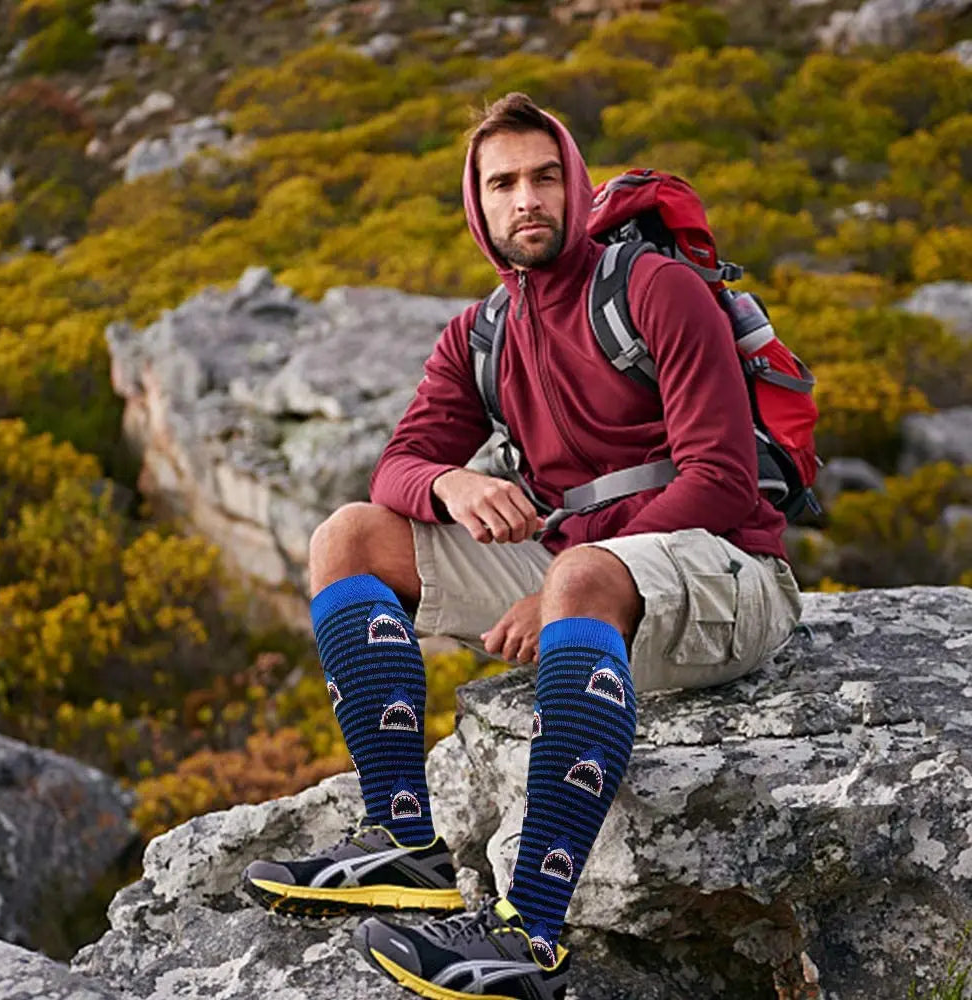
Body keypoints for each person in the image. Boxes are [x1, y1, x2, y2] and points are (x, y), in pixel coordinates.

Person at [242, 92, 802, 1000]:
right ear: (478, 206)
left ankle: (528, 937)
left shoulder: (656, 290)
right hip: (591, 583)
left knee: (579, 568)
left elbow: (723, 480)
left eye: (546, 177)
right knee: (348, 536)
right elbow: (398, 465)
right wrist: (451, 483)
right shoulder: (483, 333)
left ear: (577, 188)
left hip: (726, 574)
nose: (527, 199)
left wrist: (555, 593)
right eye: (503, 183)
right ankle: (406, 844)